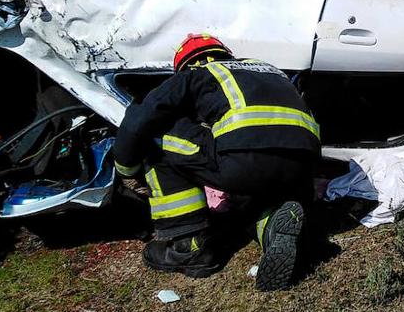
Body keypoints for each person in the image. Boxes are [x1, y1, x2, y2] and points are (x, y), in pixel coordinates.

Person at [113, 34, 320, 288]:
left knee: (155, 133)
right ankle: (272, 226)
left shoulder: (198, 73)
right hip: (305, 164)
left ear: (186, 64)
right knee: (254, 188)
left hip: (245, 161)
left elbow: (139, 120)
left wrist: (126, 167)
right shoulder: (270, 70)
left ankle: (189, 246)